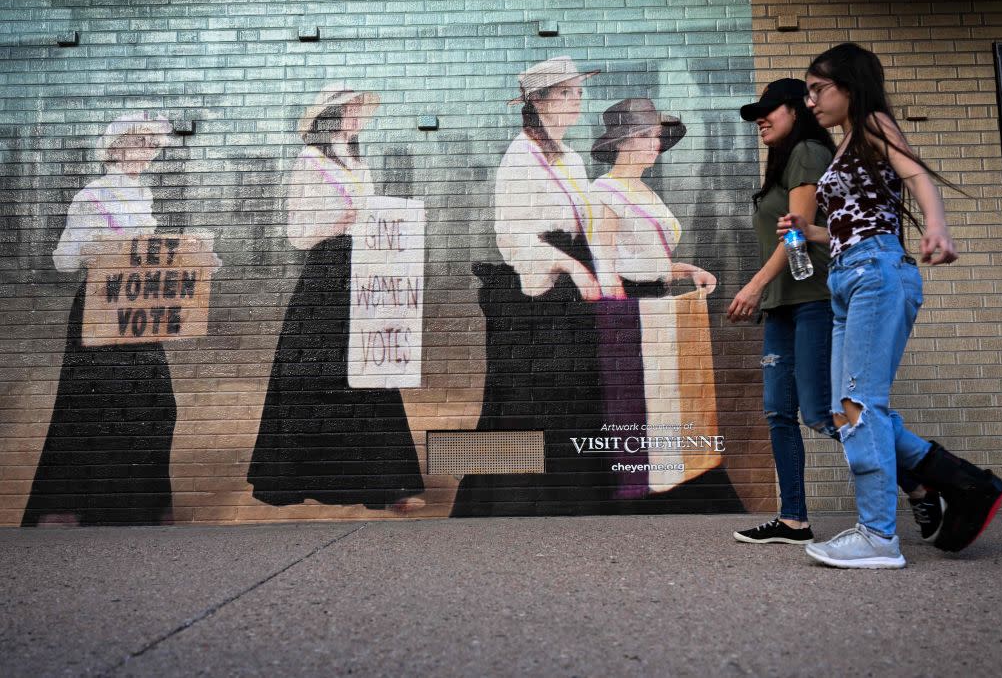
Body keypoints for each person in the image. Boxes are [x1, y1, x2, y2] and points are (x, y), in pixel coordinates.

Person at [778, 43, 1002, 568]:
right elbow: (852, 219)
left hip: (876, 273)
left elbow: (916, 175)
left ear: (850, 88)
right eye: (808, 91)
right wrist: (807, 230)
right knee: (843, 411)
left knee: (861, 404)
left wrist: (939, 228)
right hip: (846, 275)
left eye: (818, 89)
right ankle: (962, 482)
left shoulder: (874, 122)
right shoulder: (844, 146)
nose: (811, 101)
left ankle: (878, 536)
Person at [728, 80, 945, 545]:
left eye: (771, 110)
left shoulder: (808, 150)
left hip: (812, 300)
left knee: (824, 414)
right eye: (757, 114)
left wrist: (753, 284)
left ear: (797, 110)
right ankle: (793, 521)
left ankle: (922, 480)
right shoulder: (786, 159)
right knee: (778, 412)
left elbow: (797, 236)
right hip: (783, 305)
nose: (762, 119)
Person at [247, 85, 425, 513]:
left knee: (370, 368)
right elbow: (297, 233)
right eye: (351, 110)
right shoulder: (310, 162)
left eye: (360, 111)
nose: (358, 117)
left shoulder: (357, 162)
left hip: (364, 269)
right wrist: (340, 219)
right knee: (318, 372)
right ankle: (302, 475)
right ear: (331, 115)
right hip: (327, 275)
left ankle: (385, 483)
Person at [451, 56, 610, 516]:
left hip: (575, 290)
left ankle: (575, 497)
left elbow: (588, 225)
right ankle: (516, 501)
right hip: (540, 294)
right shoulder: (520, 156)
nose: (576, 100)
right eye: (565, 92)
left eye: (579, 91)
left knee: (576, 396)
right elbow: (513, 236)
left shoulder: (573, 158)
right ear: (536, 101)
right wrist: (574, 269)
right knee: (530, 397)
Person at [22, 112, 198, 526]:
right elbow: (63, 259)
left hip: (137, 311)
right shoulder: (93, 195)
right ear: (117, 148)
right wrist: (95, 248)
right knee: (93, 405)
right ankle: (70, 506)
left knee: (155, 405)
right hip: (99, 311)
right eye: (140, 144)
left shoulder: (142, 195)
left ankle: (138, 505)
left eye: (152, 147)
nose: (147, 153)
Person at [589, 97, 736, 508]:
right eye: (645, 136)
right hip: (630, 313)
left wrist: (687, 270)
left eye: (656, 137)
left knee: (673, 403)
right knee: (643, 405)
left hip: (658, 306)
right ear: (621, 142)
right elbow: (607, 264)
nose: (655, 145)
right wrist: (622, 323)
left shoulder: (643, 189)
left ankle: (677, 482)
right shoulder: (603, 192)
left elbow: (646, 261)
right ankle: (646, 493)